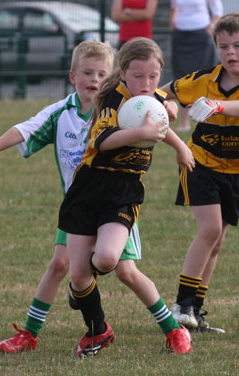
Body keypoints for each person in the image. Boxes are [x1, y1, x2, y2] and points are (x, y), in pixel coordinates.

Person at [0, 40, 119, 353]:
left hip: (113, 207)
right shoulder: (61, 112)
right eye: (88, 72)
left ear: (112, 78)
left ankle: (172, 327)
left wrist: (165, 109)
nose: (95, 80)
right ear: (73, 76)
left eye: (102, 74)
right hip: (76, 208)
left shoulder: (118, 111)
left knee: (124, 270)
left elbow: (150, 109)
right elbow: (25, 128)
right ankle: (30, 333)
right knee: (59, 264)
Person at [58, 37, 195, 357]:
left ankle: (175, 330)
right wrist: (143, 134)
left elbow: (160, 117)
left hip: (123, 192)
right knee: (78, 274)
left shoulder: (152, 96)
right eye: (137, 76)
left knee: (107, 259)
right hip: (87, 190)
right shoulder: (111, 97)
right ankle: (98, 331)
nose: (146, 84)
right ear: (121, 73)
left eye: (153, 76)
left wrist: (180, 146)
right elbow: (104, 140)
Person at [161, 12, 239, 331]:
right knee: (210, 229)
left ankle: (195, 312)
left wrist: (217, 106)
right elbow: (162, 91)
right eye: (223, 46)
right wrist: (164, 105)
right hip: (199, 162)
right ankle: (181, 304)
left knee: (218, 240)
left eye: (238, 45)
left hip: (236, 170)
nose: (230, 52)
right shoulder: (202, 79)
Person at [170, 0, 223, 131]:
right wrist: (173, 23)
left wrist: (211, 26)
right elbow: (174, 8)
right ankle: (184, 123)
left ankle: (207, 120)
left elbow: (217, 11)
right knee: (182, 79)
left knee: (204, 78)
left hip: (201, 35)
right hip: (180, 36)